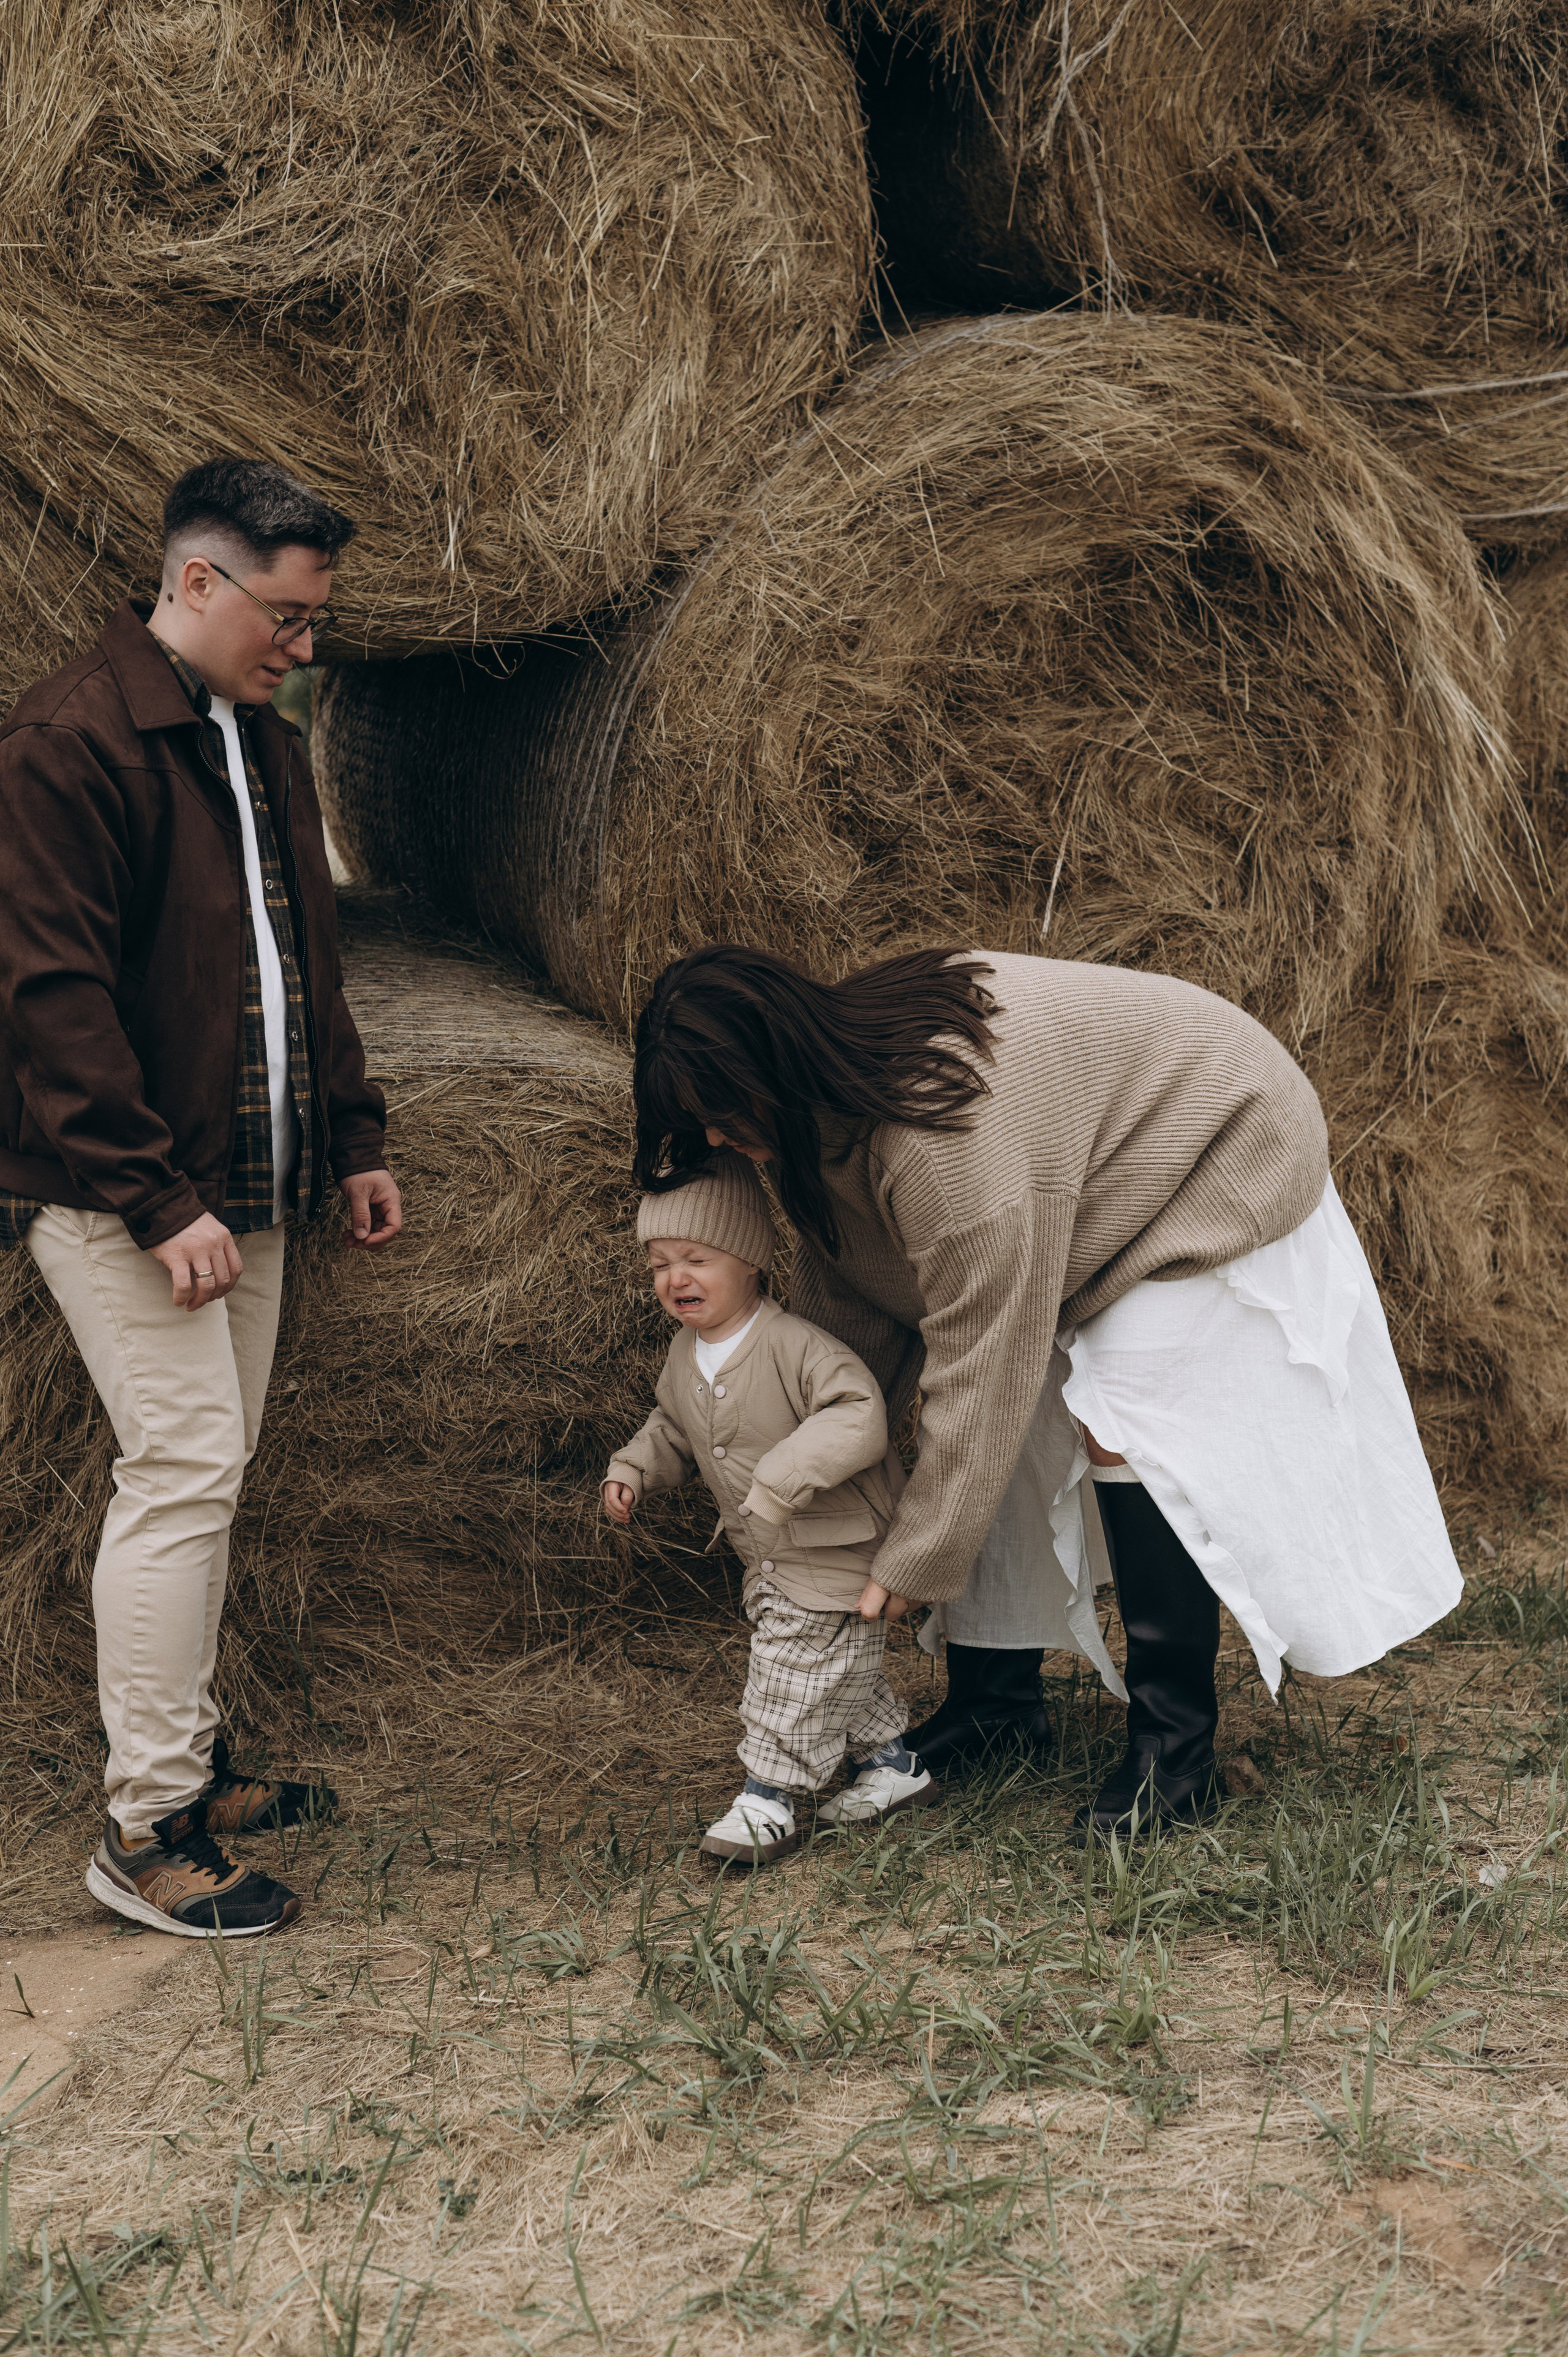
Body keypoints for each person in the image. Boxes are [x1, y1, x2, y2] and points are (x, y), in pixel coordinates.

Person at [631, 944, 1463, 1842]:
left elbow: (980, 1365)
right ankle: (996, 1704)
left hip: (1217, 1141)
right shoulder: (813, 1119)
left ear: (774, 1066)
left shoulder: (942, 1145)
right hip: (1096, 1175)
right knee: (1009, 1416)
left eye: (721, 1112)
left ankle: (1175, 1752)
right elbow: (855, 1310)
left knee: (1116, 1410)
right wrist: (801, 1477)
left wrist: (914, 1559)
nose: (716, 1139)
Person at [0, 457, 402, 1935]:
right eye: (284, 617)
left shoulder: (262, 741)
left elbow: (307, 964)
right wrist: (156, 1200)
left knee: (211, 1469)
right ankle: (146, 1830)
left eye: (314, 622)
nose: (303, 645)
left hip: (255, 1177)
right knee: (178, 1467)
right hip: (129, 1190)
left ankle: (194, 1761)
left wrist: (352, 1134)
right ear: (194, 581)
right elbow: (49, 1000)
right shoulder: (67, 742)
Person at [603, 1153, 935, 1862]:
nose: (675, 1277)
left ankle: (767, 1799)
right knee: (837, 1666)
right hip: (771, 1557)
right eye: (659, 1264)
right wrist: (633, 1467)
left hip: (834, 1548)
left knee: (789, 1673)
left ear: (751, 1260)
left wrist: (785, 1472)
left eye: (697, 1258)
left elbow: (858, 1414)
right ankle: (893, 1766)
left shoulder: (794, 1343)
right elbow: (673, 1425)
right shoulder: (686, 1352)